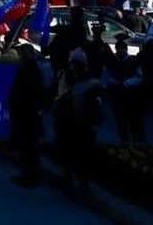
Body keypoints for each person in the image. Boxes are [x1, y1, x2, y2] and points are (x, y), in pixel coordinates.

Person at [53, 48, 104, 196]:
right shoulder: (68, 77)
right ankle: (70, 185)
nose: (74, 66)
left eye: (77, 63)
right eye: (73, 63)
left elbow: (97, 103)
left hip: (82, 124)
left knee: (82, 157)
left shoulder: (90, 80)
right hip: (70, 122)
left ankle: (80, 185)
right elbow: (60, 97)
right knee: (72, 157)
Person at [8, 44, 45, 188]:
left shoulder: (32, 70)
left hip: (28, 114)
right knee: (23, 146)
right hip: (21, 113)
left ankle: (32, 177)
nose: (20, 56)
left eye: (22, 53)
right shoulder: (24, 69)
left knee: (30, 147)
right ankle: (25, 173)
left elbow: (30, 93)